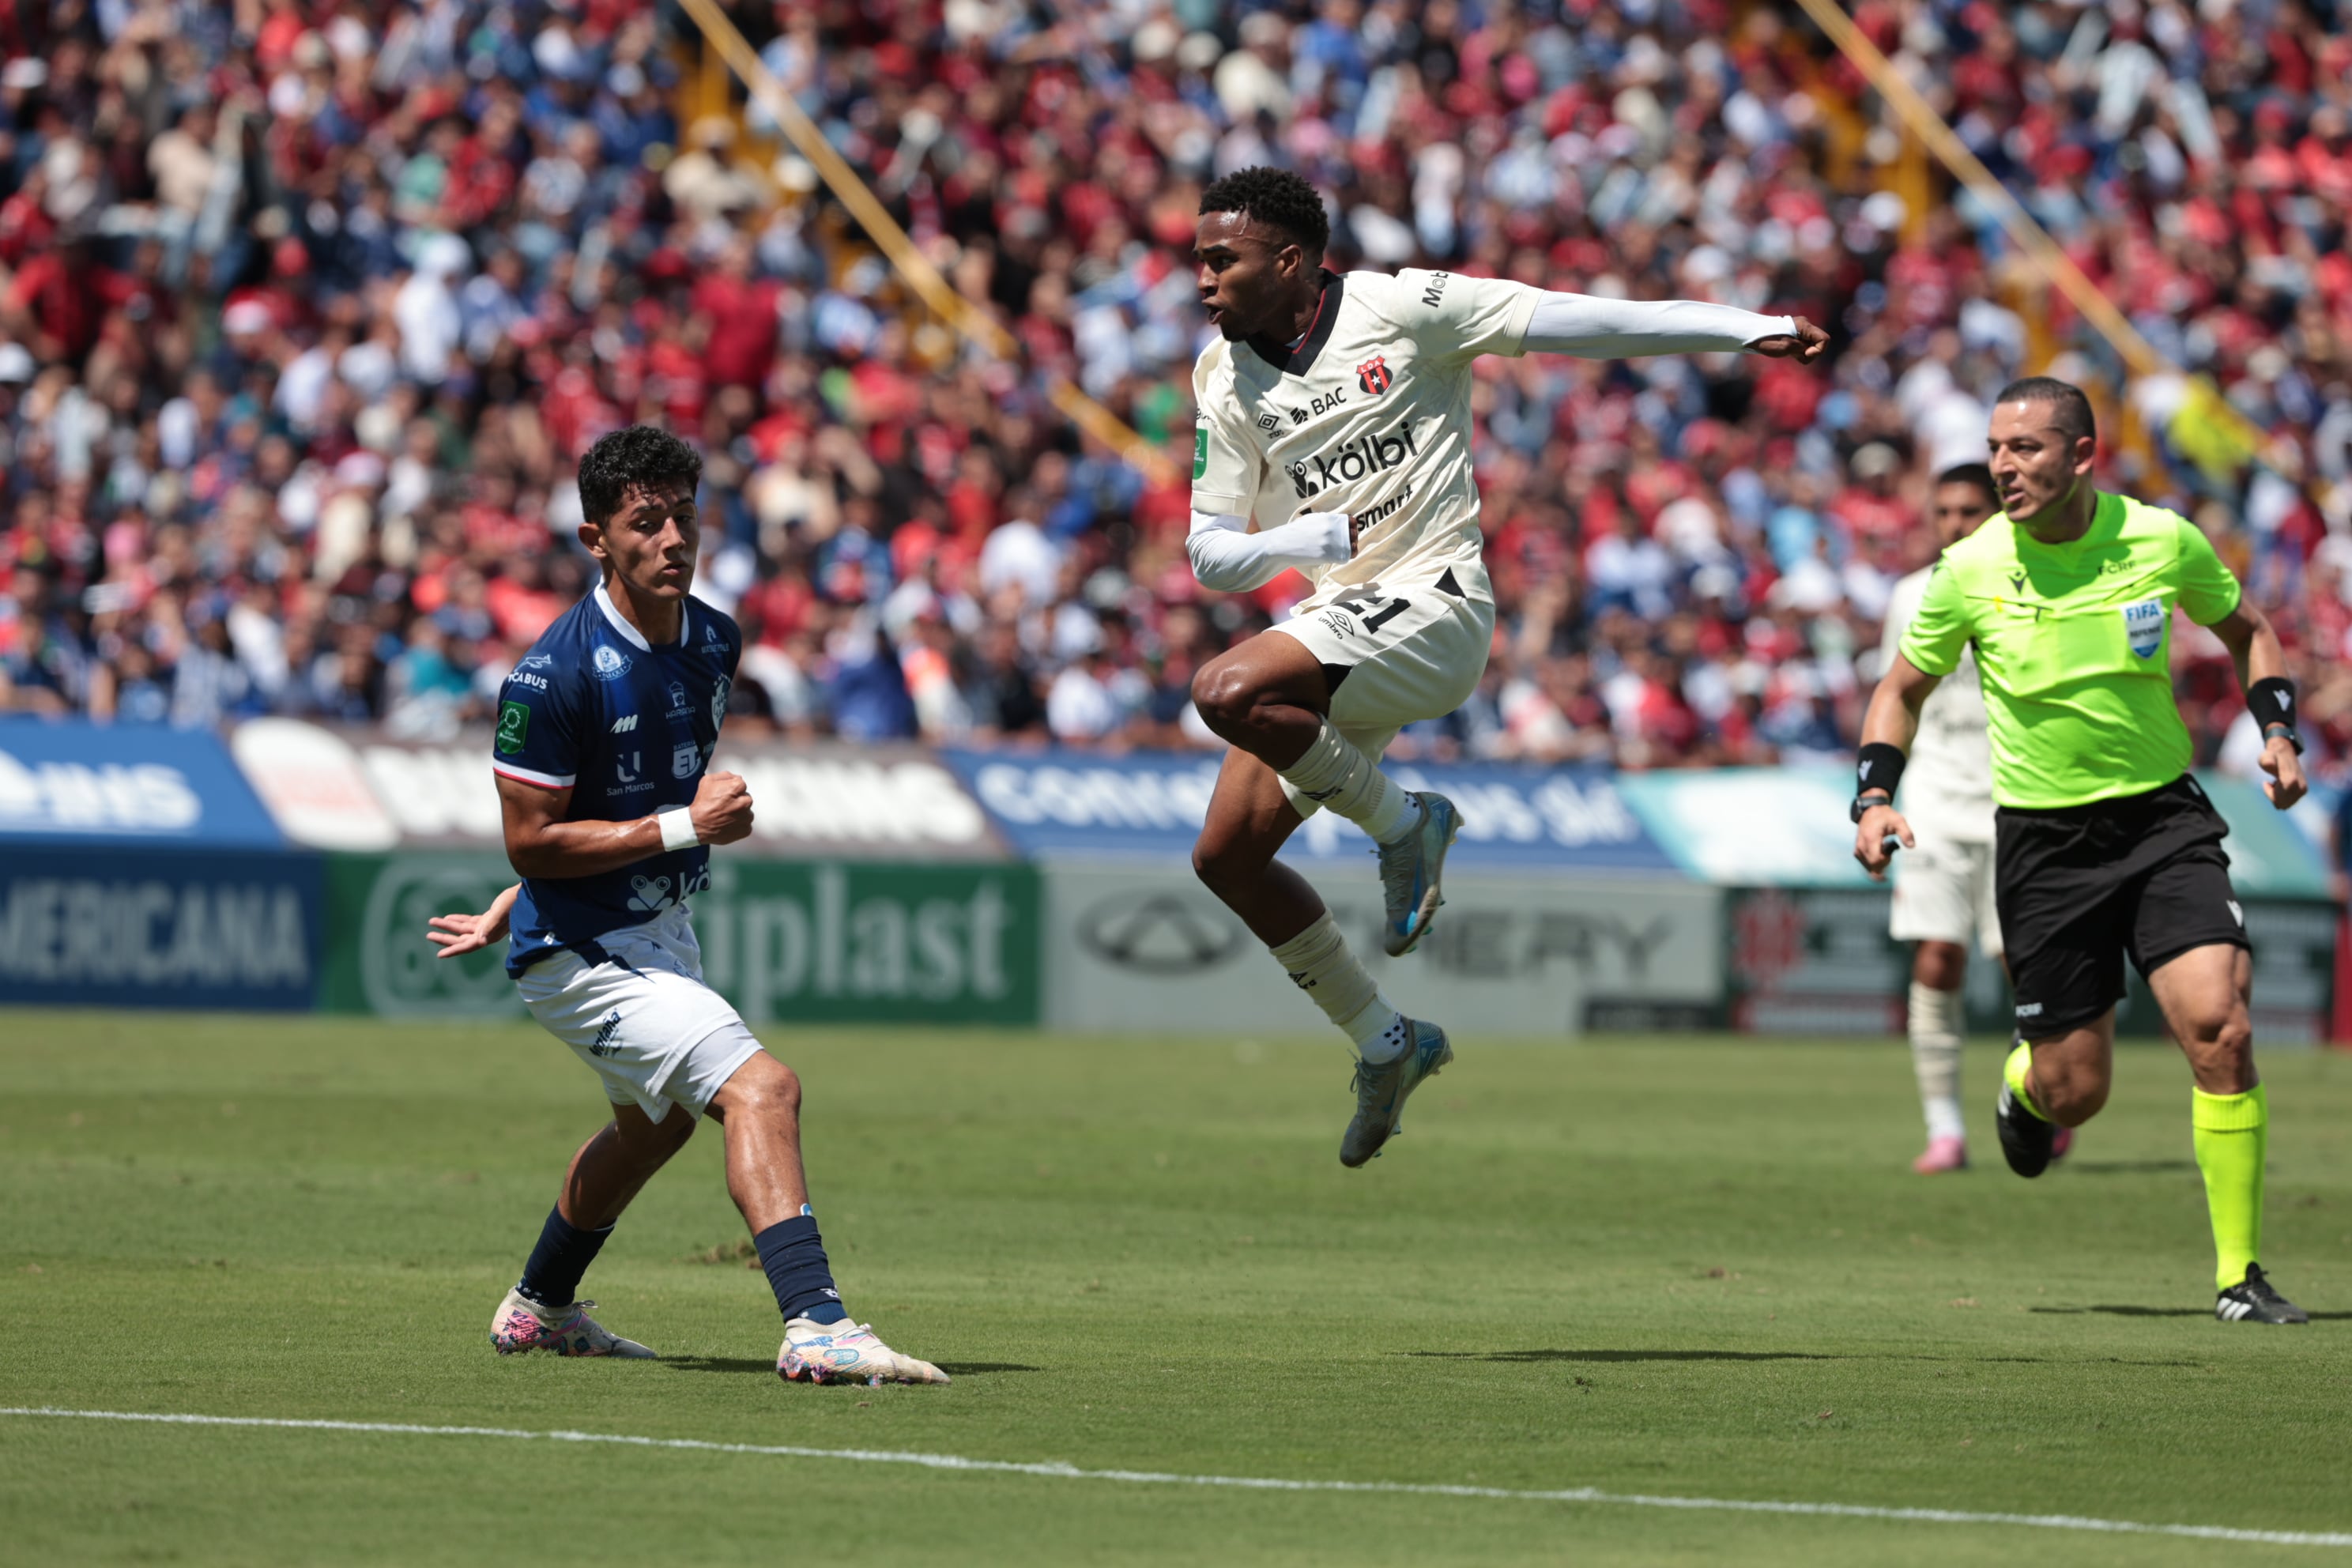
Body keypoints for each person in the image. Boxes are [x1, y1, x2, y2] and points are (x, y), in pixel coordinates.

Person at [1182, 166, 1827, 1167]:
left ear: (1291, 260)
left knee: (1225, 689)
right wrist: (1307, 539)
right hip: (1342, 624)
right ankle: (1387, 1042)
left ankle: (1407, 824)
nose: (1203, 280)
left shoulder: (1401, 308)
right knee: (1225, 857)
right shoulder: (1222, 377)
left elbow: (1573, 318)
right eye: (1199, 261)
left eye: (1222, 259)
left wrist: (1741, 324)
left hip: (1437, 607)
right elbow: (1210, 552)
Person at [425, 426, 947, 1383]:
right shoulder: (552, 676)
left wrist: (539, 879)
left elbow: (598, 812)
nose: (672, 538)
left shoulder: (714, 639)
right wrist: (669, 833)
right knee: (764, 1087)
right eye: (644, 522)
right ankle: (816, 1322)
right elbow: (533, 835)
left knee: (656, 1124)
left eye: (683, 516)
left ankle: (540, 1308)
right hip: (581, 950)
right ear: (595, 538)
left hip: (650, 930)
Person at [1854, 378, 2312, 1324]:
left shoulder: (2161, 539)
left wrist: (2277, 730)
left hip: (2162, 824)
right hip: (2045, 844)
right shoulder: (1971, 568)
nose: (2003, 466)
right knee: (2076, 1092)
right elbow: (1900, 689)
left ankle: (2240, 1275)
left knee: (2220, 1027)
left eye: (2025, 448)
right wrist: (1872, 795)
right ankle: (2024, 1086)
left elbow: (2251, 632)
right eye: (1996, 448)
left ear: (2082, 456)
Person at [1875, 462, 2037, 1174]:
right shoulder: (1911, 595)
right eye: (1943, 512)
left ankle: (2037, 1096)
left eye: (1970, 511)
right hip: (1937, 796)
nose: (1954, 525)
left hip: (2020, 796)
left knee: (2025, 969)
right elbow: (1895, 699)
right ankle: (1945, 1128)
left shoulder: (2036, 585)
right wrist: (1880, 796)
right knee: (1937, 955)